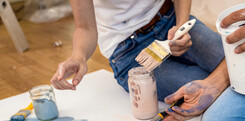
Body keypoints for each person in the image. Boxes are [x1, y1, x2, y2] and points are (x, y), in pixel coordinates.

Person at [50, 0, 224, 101]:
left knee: (236, 62)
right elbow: (85, 28)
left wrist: (181, 25)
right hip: (128, 53)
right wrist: (78, 56)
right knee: (202, 89)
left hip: (170, 20)